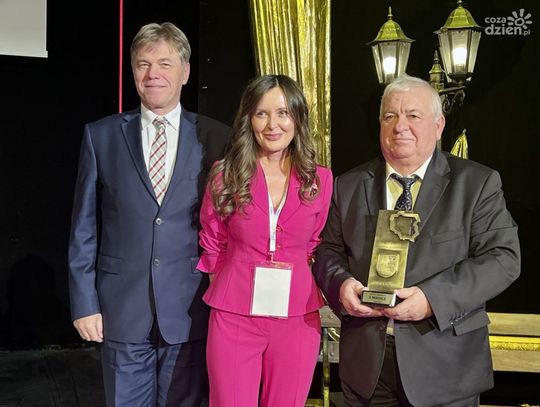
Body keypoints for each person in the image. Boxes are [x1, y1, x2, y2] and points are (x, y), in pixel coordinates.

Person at [313, 74, 520, 407]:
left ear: (438, 126)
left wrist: (431, 299)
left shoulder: (477, 183)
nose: (400, 126)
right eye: (390, 116)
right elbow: (328, 250)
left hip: (446, 367)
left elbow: (503, 258)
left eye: (413, 115)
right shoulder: (347, 185)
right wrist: (340, 285)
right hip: (367, 369)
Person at [68, 22, 230, 407]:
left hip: (191, 311)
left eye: (164, 64)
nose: (153, 73)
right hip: (122, 311)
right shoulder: (101, 135)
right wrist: (84, 303)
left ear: (185, 72)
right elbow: (83, 227)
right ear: (133, 71)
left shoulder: (217, 138)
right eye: (143, 64)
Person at [196, 74, 333, 406]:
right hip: (234, 316)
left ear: (297, 118)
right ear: (249, 119)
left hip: (297, 318)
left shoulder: (320, 179)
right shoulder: (225, 174)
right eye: (262, 113)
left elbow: (315, 243)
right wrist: (234, 289)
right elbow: (212, 241)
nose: (273, 125)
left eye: (283, 113)